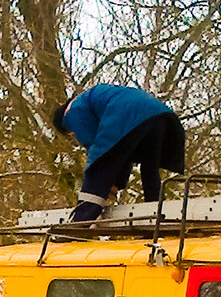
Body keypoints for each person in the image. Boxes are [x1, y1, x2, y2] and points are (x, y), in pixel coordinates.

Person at [52, 84, 185, 222]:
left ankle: (81, 220)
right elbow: (122, 150)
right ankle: (156, 210)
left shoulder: (72, 112)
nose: (74, 136)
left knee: (98, 165)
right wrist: (116, 183)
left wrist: (102, 183)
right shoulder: (95, 98)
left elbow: (96, 148)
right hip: (160, 115)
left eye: (72, 134)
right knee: (150, 167)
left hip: (127, 113)